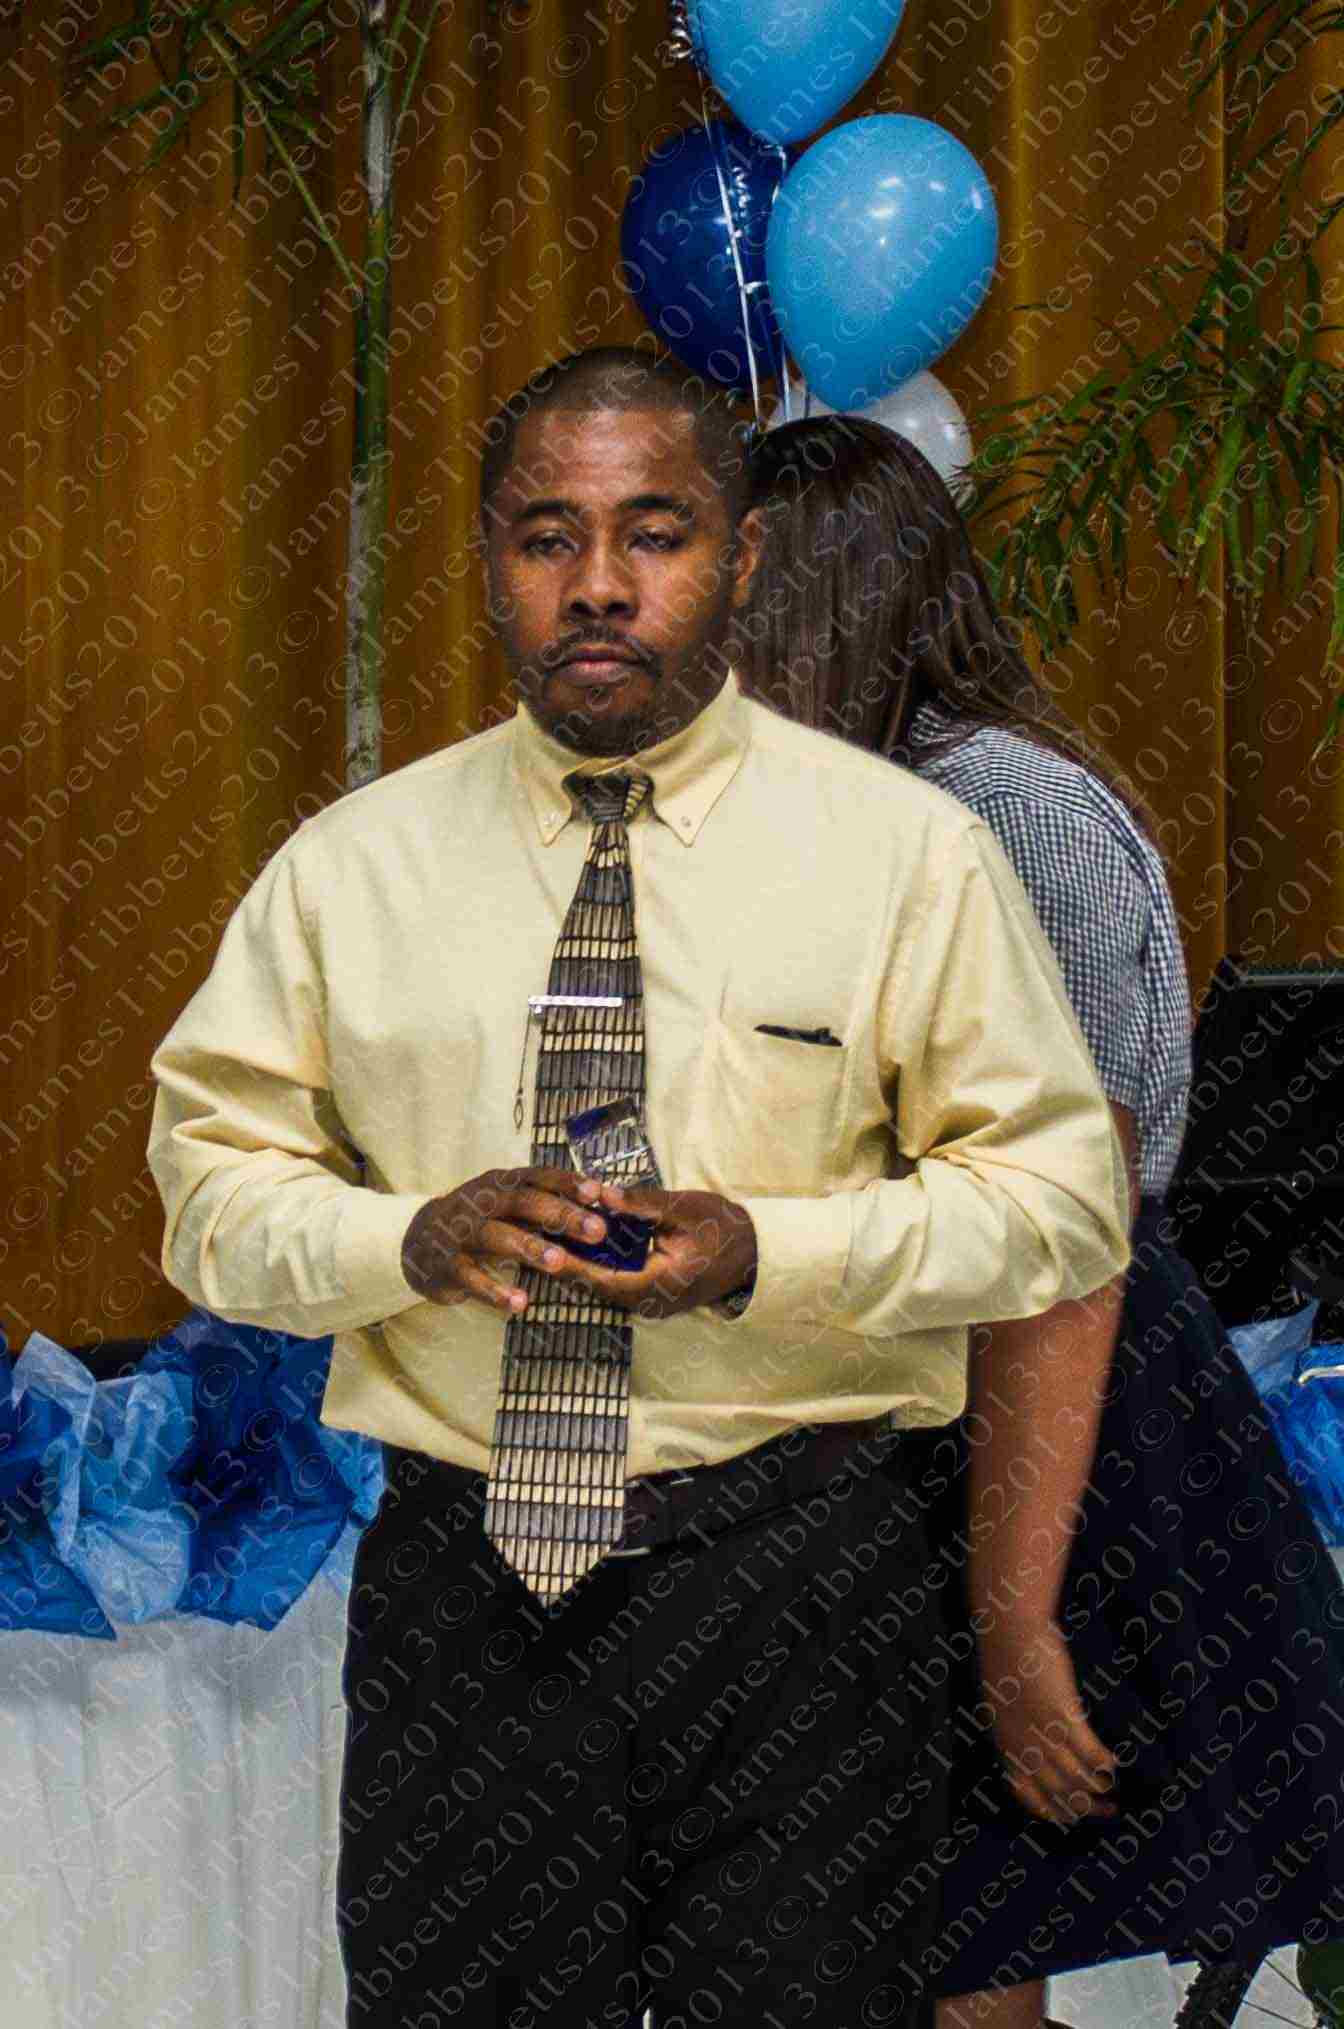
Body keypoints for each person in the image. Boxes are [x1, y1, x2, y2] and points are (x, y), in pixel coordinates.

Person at [146, 346, 1132, 2029]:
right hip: (470, 1598)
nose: (597, 584)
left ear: (740, 560)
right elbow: (208, 1199)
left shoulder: (906, 859)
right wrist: (407, 1237)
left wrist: (769, 1251)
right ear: (490, 562)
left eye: (654, 533)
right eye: (548, 537)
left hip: (801, 1587)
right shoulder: (349, 871)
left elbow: (1058, 1202)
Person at [735, 411, 1344, 2029]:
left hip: (1056, 1410)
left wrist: (1016, 1610)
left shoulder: (1010, 812)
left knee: (969, 1922)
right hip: (909, 1401)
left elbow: (1058, 1211)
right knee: (921, 1929)